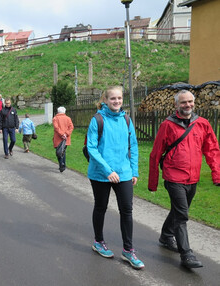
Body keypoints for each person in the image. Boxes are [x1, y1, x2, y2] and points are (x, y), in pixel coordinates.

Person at [148, 89, 220, 269]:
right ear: (176, 105)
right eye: (183, 102)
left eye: (190, 102)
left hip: (193, 178)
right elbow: (156, 153)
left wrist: (216, 174)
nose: (187, 105)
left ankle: (166, 236)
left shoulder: (202, 124)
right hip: (174, 177)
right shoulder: (167, 125)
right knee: (182, 215)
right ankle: (186, 254)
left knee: (179, 210)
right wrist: (153, 182)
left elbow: (212, 150)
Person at [86, 86, 144, 270]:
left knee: (127, 210)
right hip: (101, 174)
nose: (117, 101)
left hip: (124, 172)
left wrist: (134, 171)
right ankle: (98, 241)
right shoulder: (97, 119)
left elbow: (133, 145)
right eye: (113, 98)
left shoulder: (126, 119)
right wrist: (107, 170)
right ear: (106, 99)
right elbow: (91, 148)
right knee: (101, 207)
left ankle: (128, 250)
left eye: (119, 98)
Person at [52, 106, 74, 172]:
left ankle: (61, 164)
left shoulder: (55, 118)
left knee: (59, 152)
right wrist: (66, 134)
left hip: (58, 138)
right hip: (66, 139)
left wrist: (62, 134)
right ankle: (63, 164)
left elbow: (56, 128)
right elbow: (71, 127)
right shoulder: (68, 118)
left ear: (58, 111)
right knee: (63, 152)